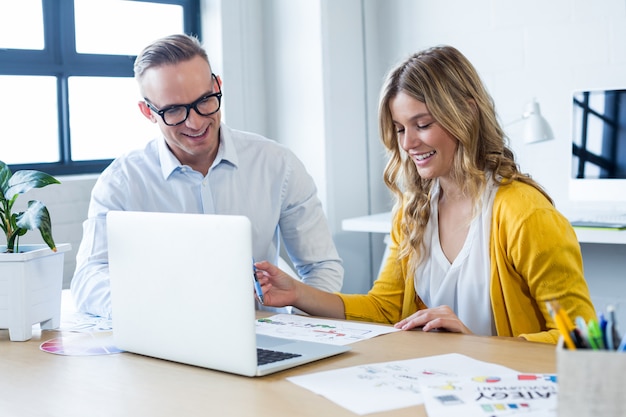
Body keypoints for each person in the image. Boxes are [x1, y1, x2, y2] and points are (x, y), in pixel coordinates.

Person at [254, 45, 596, 344]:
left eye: (423, 124)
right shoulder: (413, 210)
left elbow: (580, 339)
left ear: (466, 112)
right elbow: (384, 308)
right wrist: (297, 293)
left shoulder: (524, 213)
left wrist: (477, 344)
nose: (407, 144)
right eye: (401, 129)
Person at [71, 34, 343, 319]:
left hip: (259, 336)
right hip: (163, 337)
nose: (196, 122)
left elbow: (321, 267)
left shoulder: (277, 165)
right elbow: (89, 277)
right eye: (174, 110)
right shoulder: (121, 181)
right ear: (147, 112)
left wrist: (299, 330)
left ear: (217, 86)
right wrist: (151, 314)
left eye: (204, 100)